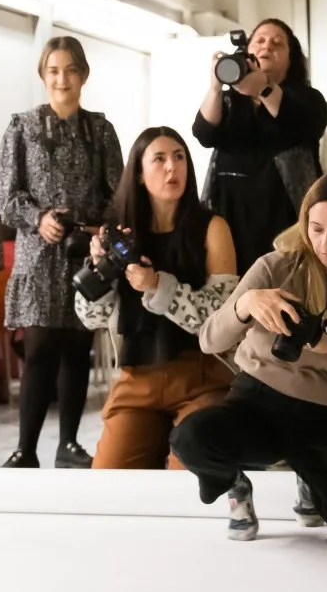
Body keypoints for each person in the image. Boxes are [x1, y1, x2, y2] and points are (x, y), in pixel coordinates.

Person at [172, 171, 327, 547]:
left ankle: (311, 478)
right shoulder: (275, 267)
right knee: (190, 437)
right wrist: (245, 306)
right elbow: (209, 339)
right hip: (257, 405)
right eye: (316, 228)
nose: (325, 243)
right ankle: (234, 484)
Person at [74, 128, 239, 468]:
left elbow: (221, 317)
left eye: (179, 157)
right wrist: (99, 272)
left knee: (190, 476)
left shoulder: (213, 228)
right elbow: (89, 318)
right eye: (160, 159)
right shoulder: (117, 233)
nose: (172, 168)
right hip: (138, 379)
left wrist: (157, 286)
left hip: (202, 377)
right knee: (110, 479)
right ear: (138, 171)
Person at [0, 36, 123, 468]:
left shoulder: (100, 130)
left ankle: (68, 444)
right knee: (39, 348)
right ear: (42, 75)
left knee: (76, 348)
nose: (61, 78)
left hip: (84, 253)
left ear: (83, 75)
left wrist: (93, 229)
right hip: (36, 256)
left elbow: (117, 194)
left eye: (70, 69)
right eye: (53, 70)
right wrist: (38, 218)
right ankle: (25, 449)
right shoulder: (21, 126)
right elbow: (6, 196)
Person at [191, 18, 327, 270]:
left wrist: (264, 88)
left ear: (291, 59)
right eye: (260, 40)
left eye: (278, 44)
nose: (267, 47)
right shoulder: (230, 101)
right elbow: (203, 133)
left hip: (285, 223)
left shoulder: (305, 98)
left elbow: (305, 124)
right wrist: (215, 87)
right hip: (229, 220)